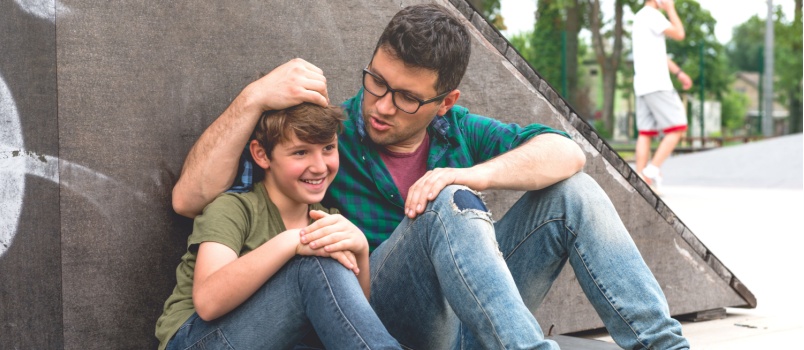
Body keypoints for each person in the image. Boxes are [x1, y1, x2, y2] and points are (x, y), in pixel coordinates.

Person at [172, 4, 690, 349]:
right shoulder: (325, 142)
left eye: (407, 98)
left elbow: (566, 152)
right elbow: (191, 197)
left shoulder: (460, 132)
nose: (380, 106)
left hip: (475, 322)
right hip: (382, 321)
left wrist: (468, 175)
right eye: (377, 81)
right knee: (445, 203)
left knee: (571, 192)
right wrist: (254, 97)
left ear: (445, 102)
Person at [156, 103, 400, 350]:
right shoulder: (235, 208)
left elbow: (348, 325)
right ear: (262, 155)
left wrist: (360, 252)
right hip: (197, 339)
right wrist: (292, 241)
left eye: (328, 148)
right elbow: (207, 303)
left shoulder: (325, 218)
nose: (319, 166)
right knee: (316, 256)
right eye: (300, 152)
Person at [632, 0, 693, 195]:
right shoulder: (653, 15)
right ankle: (651, 171)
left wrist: (679, 73)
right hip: (657, 83)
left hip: (641, 83)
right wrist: (670, 8)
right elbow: (679, 33)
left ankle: (640, 181)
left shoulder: (639, 18)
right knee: (678, 126)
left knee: (646, 132)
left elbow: (659, 55)